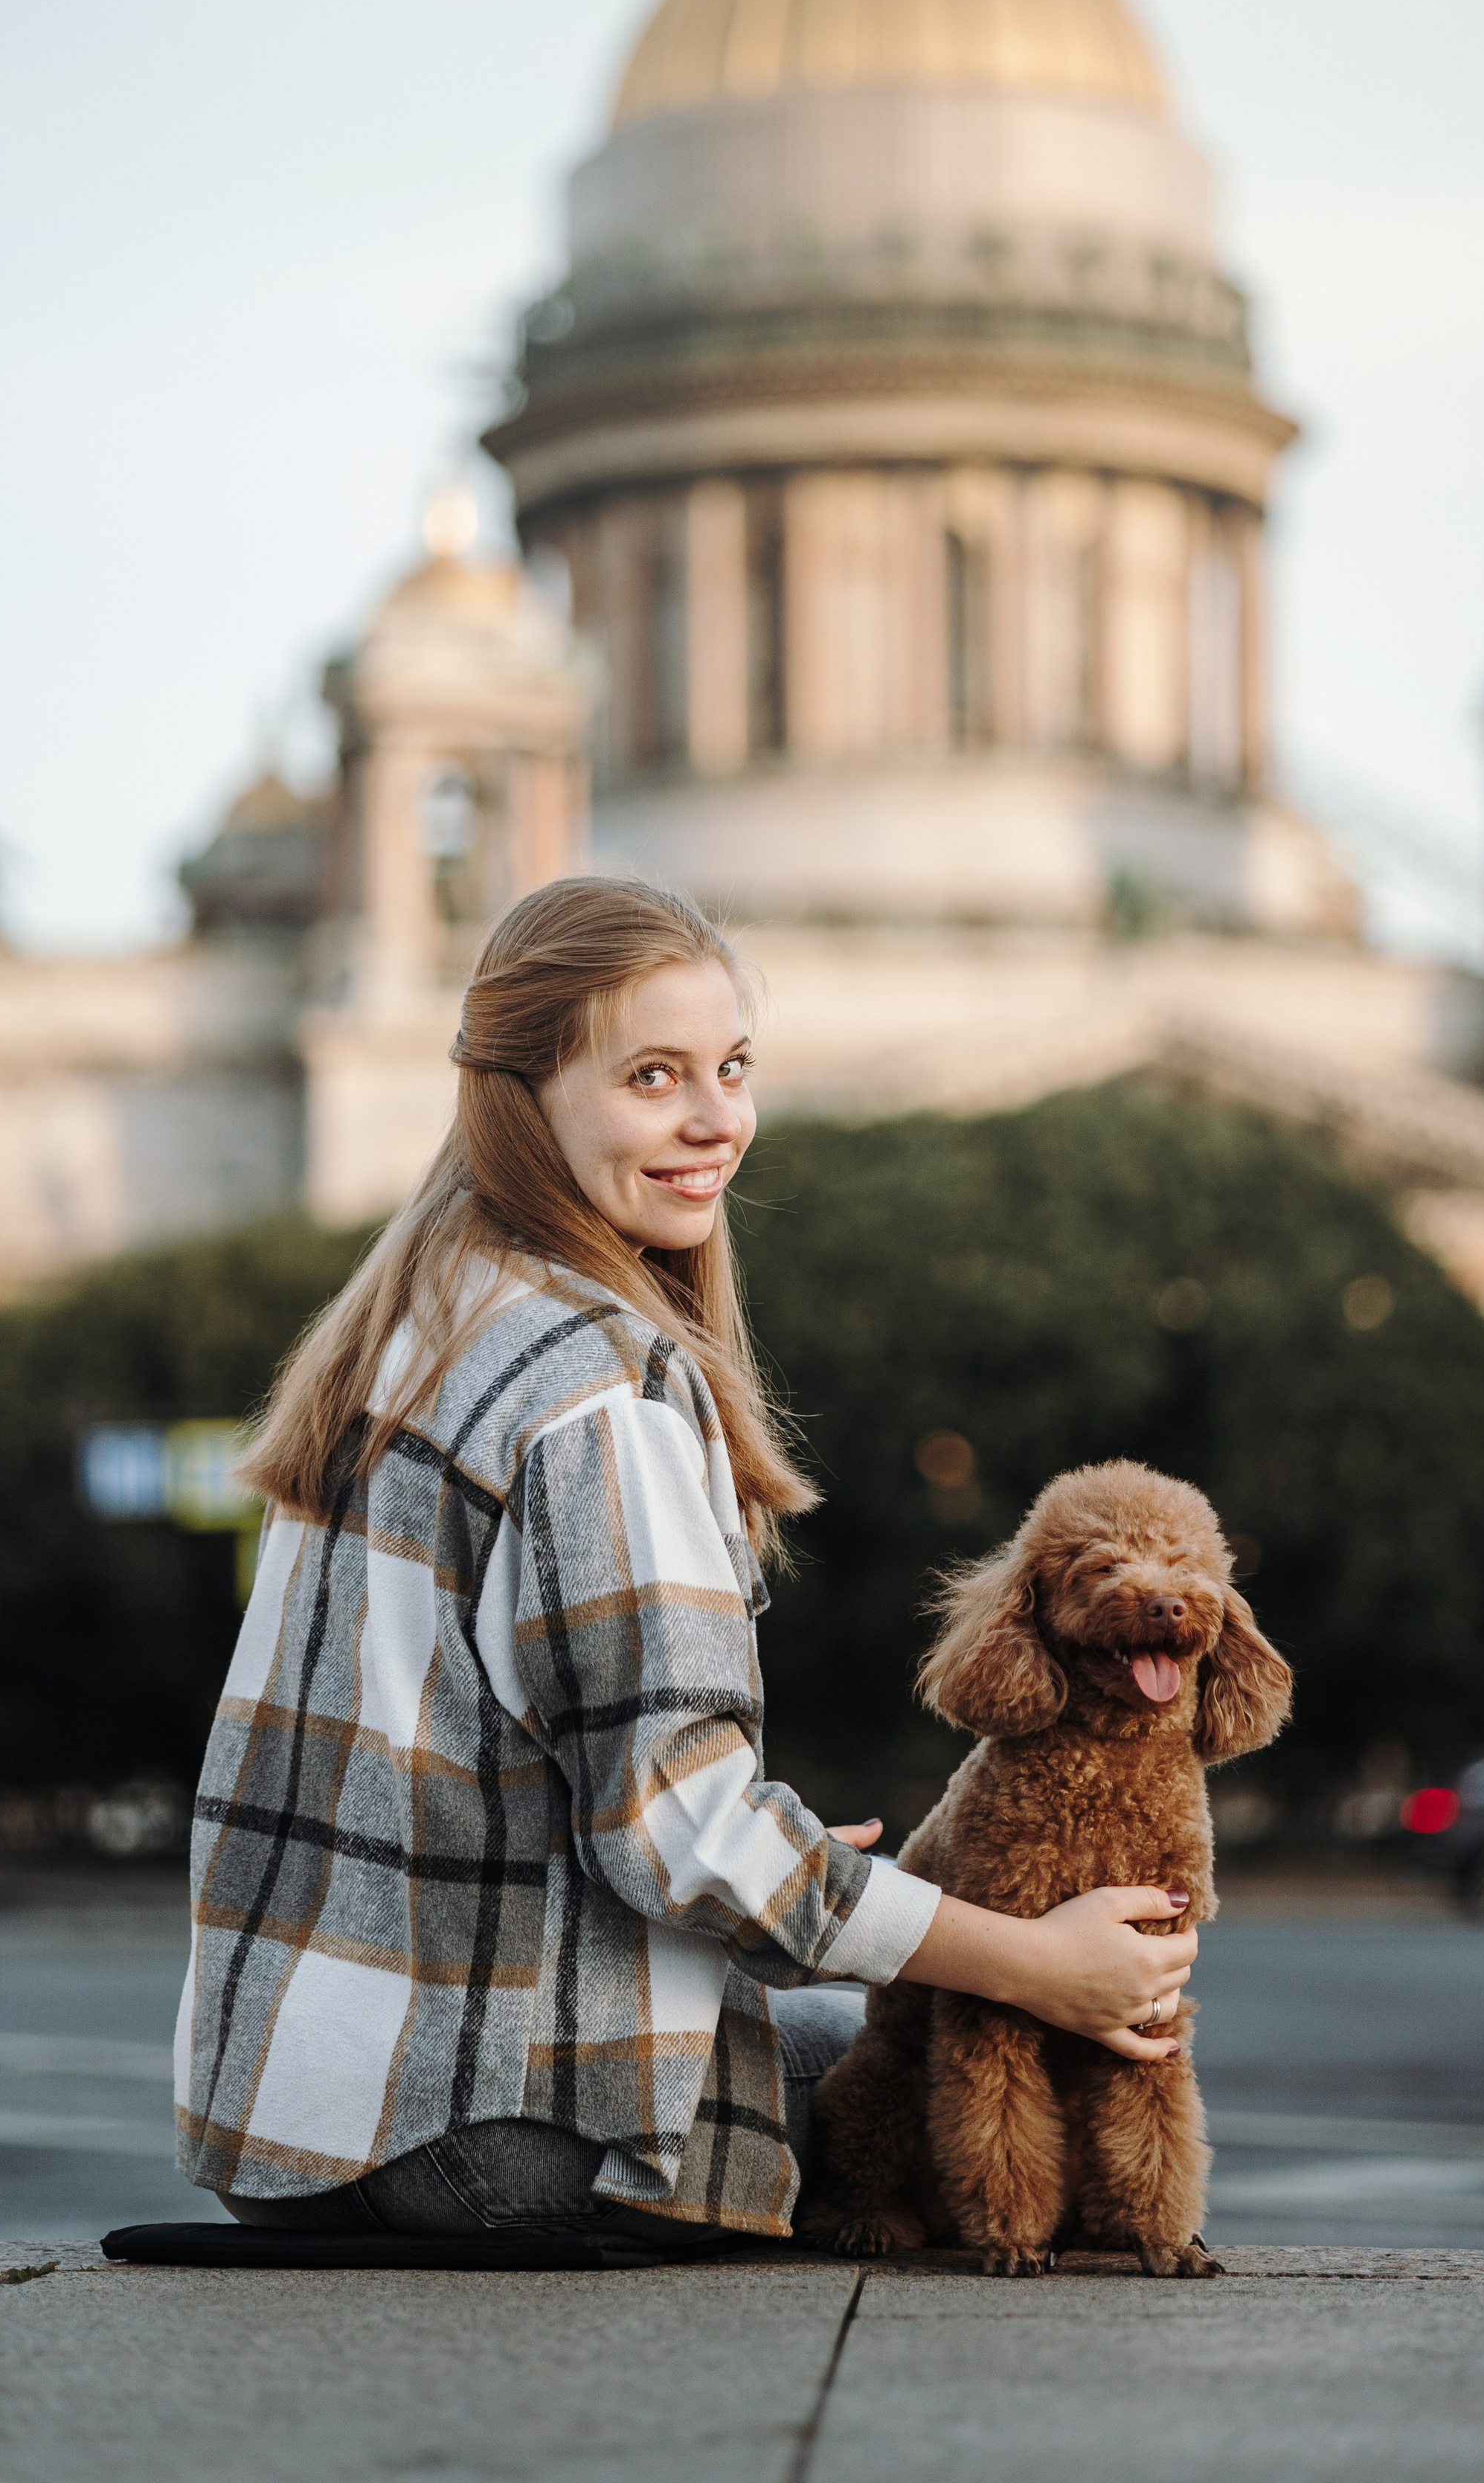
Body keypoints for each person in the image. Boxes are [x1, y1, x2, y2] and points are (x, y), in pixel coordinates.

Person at [174, 877, 1197, 2257]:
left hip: (295, 2121)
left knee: (861, 2012)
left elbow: (503, 1777)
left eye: (731, 1069)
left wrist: (762, 1864)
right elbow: (685, 1840)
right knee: (959, 2047)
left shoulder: (416, 1325)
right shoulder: (596, 1395)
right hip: (482, 2138)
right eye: (654, 1077)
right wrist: (1035, 1960)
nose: (718, 1121)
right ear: (520, 1095)